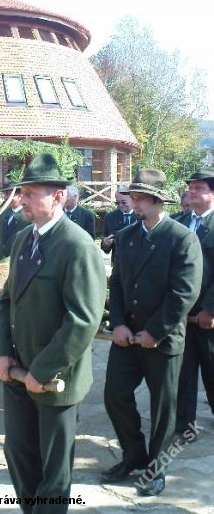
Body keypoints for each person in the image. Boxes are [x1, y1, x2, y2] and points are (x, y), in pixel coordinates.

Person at [0, 153, 106, 513]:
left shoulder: (78, 245)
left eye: (30, 193)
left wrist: (42, 371)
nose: (21, 199)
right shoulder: (23, 240)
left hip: (56, 378)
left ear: (58, 196)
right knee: (18, 452)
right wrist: (2, 352)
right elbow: (7, 301)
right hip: (18, 373)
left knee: (54, 472)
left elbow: (83, 320)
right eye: (21, 192)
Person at [102, 169, 203, 496]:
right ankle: (134, 455)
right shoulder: (128, 235)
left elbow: (184, 293)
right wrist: (116, 321)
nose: (134, 203)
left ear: (158, 202)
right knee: (115, 395)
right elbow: (116, 282)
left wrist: (155, 330)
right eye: (133, 197)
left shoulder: (181, 238)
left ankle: (156, 468)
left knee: (163, 407)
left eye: (140, 198)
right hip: (127, 336)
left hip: (162, 339)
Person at [174, 168, 214, 445]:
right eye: (190, 187)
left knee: (212, 370)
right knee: (182, 373)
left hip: (207, 316)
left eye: (199, 187)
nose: (192, 191)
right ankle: (184, 427)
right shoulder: (178, 223)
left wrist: (210, 309)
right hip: (180, 314)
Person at [0, 173, 30, 265]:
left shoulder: (28, 216)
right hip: (0, 269)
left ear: (20, 194)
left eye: (8, 193)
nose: (5, 197)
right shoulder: (3, 212)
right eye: (4, 193)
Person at [101, 186, 136, 264]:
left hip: (137, 263)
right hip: (118, 264)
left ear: (132, 199)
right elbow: (106, 248)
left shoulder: (141, 216)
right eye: (117, 203)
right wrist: (105, 244)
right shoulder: (110, 217)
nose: (120, 205)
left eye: (124, 202)